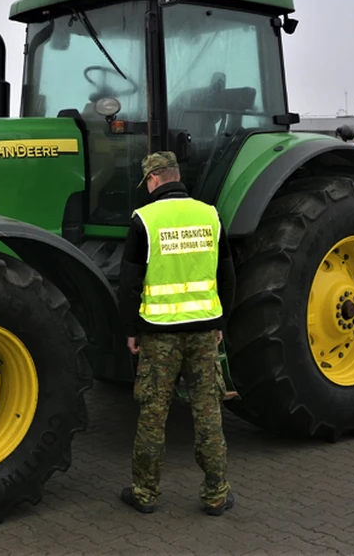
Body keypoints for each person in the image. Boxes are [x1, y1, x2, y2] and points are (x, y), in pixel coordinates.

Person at [117, 150, 237, 516]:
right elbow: (227, 276)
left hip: (159, 336)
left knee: (154, 415)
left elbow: (129, 284)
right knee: (208, 413)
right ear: (176, 176)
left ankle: (145, 494)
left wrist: (131, 331)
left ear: (153, 180)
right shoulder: (210, 215)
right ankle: (216, 495)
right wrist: (220, 323)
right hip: (203, 333)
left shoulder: (144, 220)